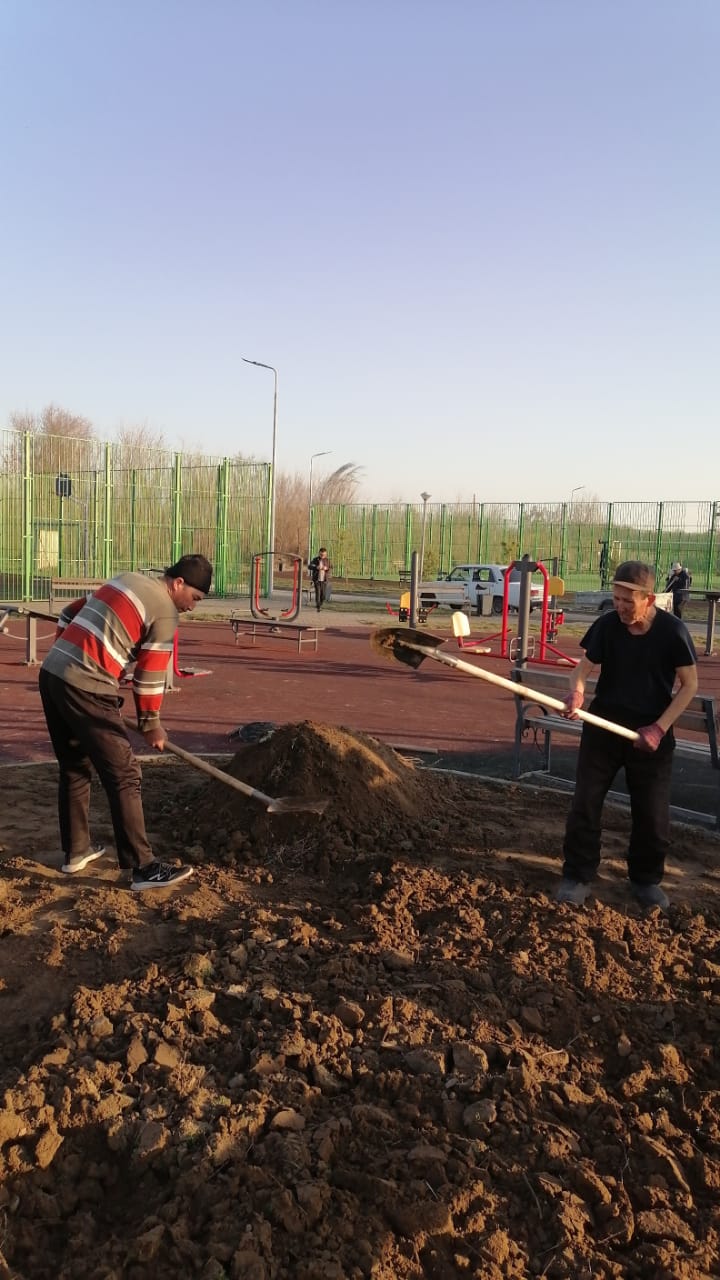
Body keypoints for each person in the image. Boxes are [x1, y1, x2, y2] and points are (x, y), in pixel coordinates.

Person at [39, 554, 213, 891]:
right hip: (87, 684)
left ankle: (76, 851)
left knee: (74, 765)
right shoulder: (165, 611)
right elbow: (149, 676)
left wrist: (68, 654)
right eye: (194, 598)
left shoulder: (126, 579)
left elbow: (68, 614)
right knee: (125, 774)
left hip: (53, 674)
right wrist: (151, 724)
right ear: (178, 583)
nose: (192, 606)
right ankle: (143, 867)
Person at [557, 560, 697, 910]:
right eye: (616, 598)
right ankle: (577, 875)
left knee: (652, 815)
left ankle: (645, 880)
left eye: (627, 601)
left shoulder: (673, 632)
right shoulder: (607, 626)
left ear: (648, 599)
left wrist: (659, 728)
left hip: (651, 736)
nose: (619, 606)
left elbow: (689, 685)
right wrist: (576, 693)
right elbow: (582, 670)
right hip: (604, 728)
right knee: (585, 803)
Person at [308, 547, 331, 612]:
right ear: (319, 553)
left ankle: (320, 604)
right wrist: (316, 567)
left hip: (324, 580)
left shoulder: (327, 560)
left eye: (324, 555)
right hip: (317, 580)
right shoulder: (315, 559)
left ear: (326, 554)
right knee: (318, 593)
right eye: (321, 554)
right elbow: (310, 566)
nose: (322, 556)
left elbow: (330, 567)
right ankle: (318, 607)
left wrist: (326, 568)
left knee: (323, 595)